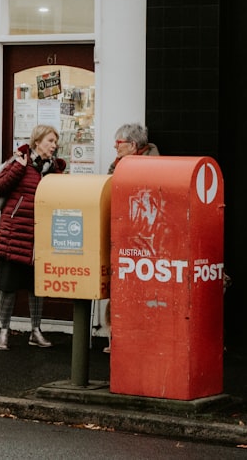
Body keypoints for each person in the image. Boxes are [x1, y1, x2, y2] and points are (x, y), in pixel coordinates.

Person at [0, 124, 67, 350]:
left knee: (37, 286)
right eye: (50, 141)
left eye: (55, 142)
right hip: (15, 233)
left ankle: (35, 331)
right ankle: (3, 332)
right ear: (37, 142)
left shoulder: (52, 168)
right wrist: (18, 167)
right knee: (9, 286)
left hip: (39, 235)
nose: (54, 146)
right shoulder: (19, 161)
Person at [103, 122, 159, 352]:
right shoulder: (116, 165)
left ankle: (140, 337)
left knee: (142, 289)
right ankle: (115, 337)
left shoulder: (153, 165)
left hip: (144, 238)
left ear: (133, 145)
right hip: (121, 233)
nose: (115, 147)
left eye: (119, 143)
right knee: (118, 289)